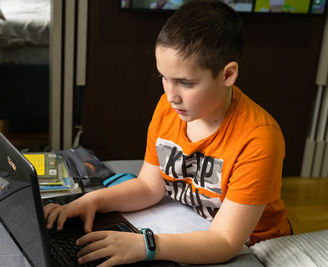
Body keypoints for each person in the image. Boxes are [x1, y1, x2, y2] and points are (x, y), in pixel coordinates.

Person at [44, 0, 292, 265]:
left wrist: (146, 245)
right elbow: (149, 186)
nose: (171, 95)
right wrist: (92, 201)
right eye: (164, 77)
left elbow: (225, 241)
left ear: (228, 74)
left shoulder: (258, 138)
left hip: (251, 249)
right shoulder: (168, 109)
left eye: (185, 83)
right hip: (191, 227)